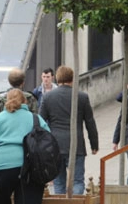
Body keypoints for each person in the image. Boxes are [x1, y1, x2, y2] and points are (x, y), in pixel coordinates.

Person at [0, 89, 50, 204]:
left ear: (6, 101)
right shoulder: (36, 119)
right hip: (30, 169)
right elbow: (48, 144)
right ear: (25, 101)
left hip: (1, 167)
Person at [39, 66, 99, 195]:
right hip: (76, 144)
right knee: (77, 180)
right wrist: (94, 144)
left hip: (55, 145)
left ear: (58, 78)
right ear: (72, 79)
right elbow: (90, 122)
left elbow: (41, 122)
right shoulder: (82, 96)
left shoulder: (48, 97)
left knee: (59, 181)